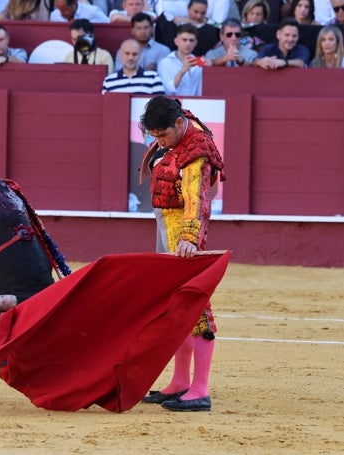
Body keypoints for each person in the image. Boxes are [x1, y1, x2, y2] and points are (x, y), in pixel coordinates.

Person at [138, 95, 225, 412]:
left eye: (162, 135)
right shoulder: (179, 123)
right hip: (165, 221)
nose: (159, 141)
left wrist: (190, 237)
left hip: (182, 230)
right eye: (154, 136)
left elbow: (196, 198)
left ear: (178, 124)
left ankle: (200, 389)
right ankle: (180, 382)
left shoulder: (196, 151)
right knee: (173, 304)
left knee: (194, 304)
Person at [157, 23, 203, 96]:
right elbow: (166, 91)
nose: (188, 43)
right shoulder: (165, 63)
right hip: (173, 105)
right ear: (176, 41)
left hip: (196, 104)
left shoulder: (200, 64)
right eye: (184, 40)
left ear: (195, 43)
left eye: (191, 40)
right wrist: (182, 72)